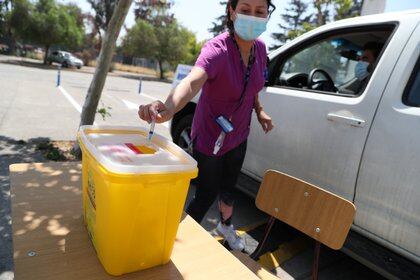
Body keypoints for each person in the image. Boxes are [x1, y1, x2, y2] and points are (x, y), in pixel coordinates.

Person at [138, 0, 275, 251]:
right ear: (232, 12)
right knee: (206, 194)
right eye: (245, 9)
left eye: (260, 11)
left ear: (268, 15)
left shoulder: (261, 49)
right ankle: (175, 243)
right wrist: (168, 108)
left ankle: (225, 226)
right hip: (210, 136)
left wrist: (261, 111)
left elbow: (252, 87)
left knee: (229, 187)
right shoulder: (217, 49)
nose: (253, 16)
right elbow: (192, 82)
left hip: (239, 134)